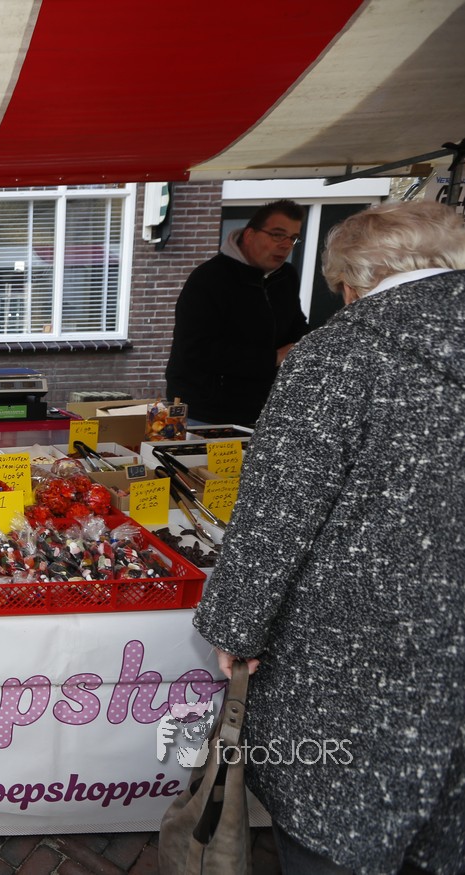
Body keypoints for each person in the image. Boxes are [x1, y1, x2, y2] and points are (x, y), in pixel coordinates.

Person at [192, 200, 465, 874]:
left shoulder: (343, 350)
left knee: (339, 835)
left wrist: (233, 627)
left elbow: (277, 513)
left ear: (352, 281)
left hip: (357, 664)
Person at [164, 199, 310, 425]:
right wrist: (272, 358)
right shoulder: (209, 279)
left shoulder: (286, 276)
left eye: (293, 238)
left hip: (263, 411)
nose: (286, 245)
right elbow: (196, 350)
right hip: (205, 412)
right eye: (277, 235)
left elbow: (296, 326)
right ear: (249, 235)